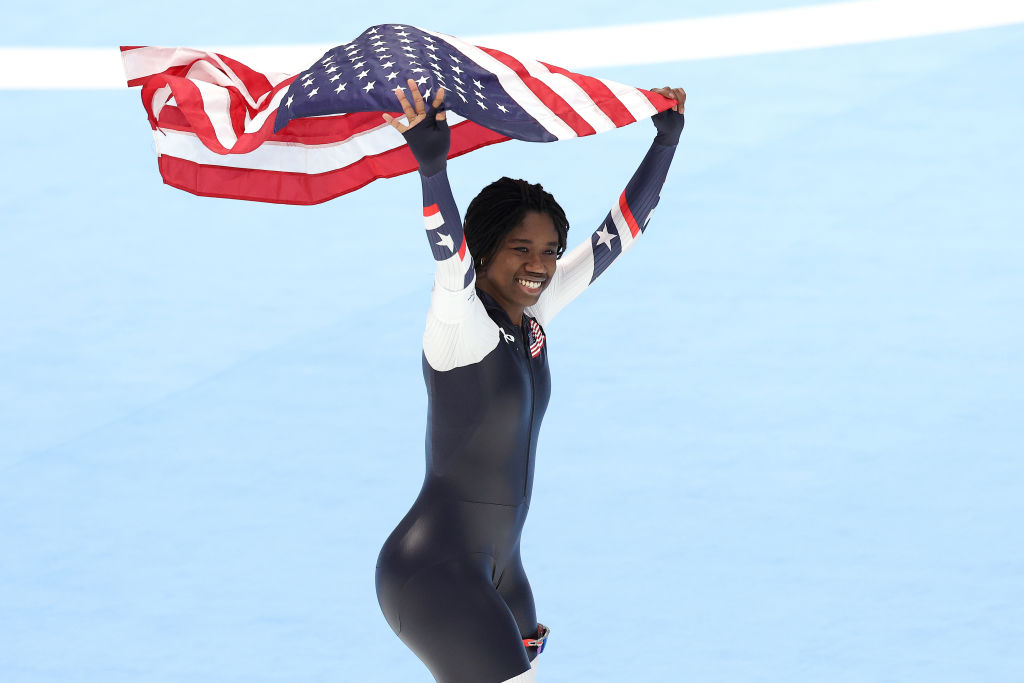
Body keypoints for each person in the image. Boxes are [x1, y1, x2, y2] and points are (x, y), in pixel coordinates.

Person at [375, 79, 686, 683]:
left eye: (549, 250)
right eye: (521, 249)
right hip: (434, 568)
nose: (539, 266)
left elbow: (619, 232)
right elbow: (448, 257)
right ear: (487, 249)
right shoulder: (458, 323)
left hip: (501, 566)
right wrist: (432, 169)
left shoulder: (531, 318)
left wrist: (665, 142)